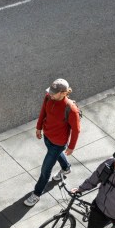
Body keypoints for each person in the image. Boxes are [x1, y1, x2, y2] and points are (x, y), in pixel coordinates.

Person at [24, 78, 81, 207]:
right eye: (50, 91)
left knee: (45, 169)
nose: (50, 94)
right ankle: (66, 168)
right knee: (54, 154)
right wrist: (39, 127)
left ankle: (36, 194)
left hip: (58, 143)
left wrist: (71, 147)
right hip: (47, 137)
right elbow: (43, 111)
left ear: (63, 93)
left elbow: (76, 130)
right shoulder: (49, 97)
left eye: (53, 93)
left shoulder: (71, 109)